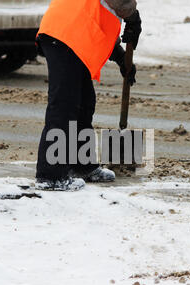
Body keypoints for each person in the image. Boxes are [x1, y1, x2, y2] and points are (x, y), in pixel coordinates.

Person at [35, 0, 142, 191]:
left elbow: (99, 15)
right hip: (65, 33)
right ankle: (51, 176)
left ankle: (82, 165)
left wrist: (119, 56)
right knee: (64, 106)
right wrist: (132, 16)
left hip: (76, 35)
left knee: (84, 103)